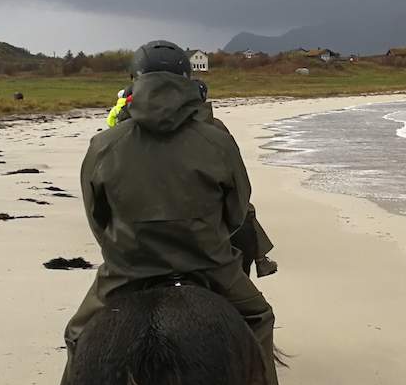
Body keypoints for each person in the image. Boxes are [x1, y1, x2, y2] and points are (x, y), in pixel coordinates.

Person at [48, 40, 289, 385]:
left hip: (127, 270)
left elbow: (96, 219)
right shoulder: (216, 139)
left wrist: (124, 253)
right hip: (208, 265)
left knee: (79, 334)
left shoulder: (104, 143)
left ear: (134, 83)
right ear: (188, 81)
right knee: (258, 317)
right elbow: (238, 210)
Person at [107, 79, 279, 277]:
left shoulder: (113, 136)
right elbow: (238, 185)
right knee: (254, 305)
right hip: (198, 221)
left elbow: (97, 208)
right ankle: (260, 261)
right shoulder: (212, 127)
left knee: (101, 301)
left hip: (137, 233)